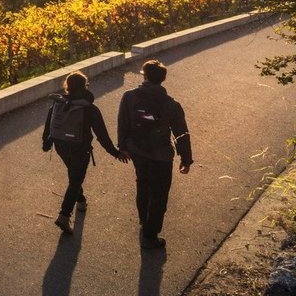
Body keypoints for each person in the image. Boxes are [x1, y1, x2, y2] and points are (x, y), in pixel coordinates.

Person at [118, 58, 192, 250]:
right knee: (159, 194)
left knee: (142, 185)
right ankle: (151, 235)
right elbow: (181, 132)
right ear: (162, 79)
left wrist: (123, 146)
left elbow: (122, 122)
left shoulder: (129, 97)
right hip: (161, 155)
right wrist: (186, 159)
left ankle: (144, 223)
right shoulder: (171, 104)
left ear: (145, 76)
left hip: (138, 152)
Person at [42, 71, 128, 235]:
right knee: (75, 179)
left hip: (61, 146)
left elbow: (49, 124)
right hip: (80, 149)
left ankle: (80, 200)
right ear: (85, 86)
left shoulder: (58, 103)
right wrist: (115, 153)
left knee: (74, 174)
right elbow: (102, 135)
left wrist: (46, 142)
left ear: (67, 87)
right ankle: (64, 215)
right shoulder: (89, 108)